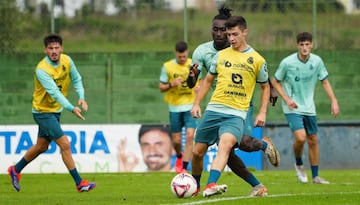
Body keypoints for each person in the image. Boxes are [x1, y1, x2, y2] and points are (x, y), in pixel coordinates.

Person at [188, 6, 279, 197]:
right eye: (227, 34)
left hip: (238, 110)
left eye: (233, 34)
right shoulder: (218, 55)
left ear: (245, 32)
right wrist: (196, 103)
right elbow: (206, 80)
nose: (230, 38)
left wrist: (263, 112)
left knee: (231, 145)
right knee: (198, 152)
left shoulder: (257, 59)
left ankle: (211, 184)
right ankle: (196, 187)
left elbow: (264, 85)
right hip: (214, 108)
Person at [7, 34, 96, 192]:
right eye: (50, 48)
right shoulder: (42, 69)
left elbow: (76, 79)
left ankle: (15, 170)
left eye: (56, 48)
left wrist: (81, 97)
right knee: (65, 144)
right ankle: (79, 183)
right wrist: (71, 108)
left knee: (42, 146)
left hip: (55, 111)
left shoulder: (67, 61)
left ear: (61, 48)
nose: (54, 51)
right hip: (42, 112)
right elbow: (55, 93)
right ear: (45, 50)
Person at [271, 32, 340, 184]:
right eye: (301, 44)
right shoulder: (287, 62)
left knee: (313, 140)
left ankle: (316, 176)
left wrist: (334, 100)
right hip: (292, 107)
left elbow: (325, 82)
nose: (304, 47)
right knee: (301, 138)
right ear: (297, 46)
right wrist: (287, 99)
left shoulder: (317, 62)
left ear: (312, 45)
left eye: (307, 44)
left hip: (309, 107)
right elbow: (275, 81)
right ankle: (299, 163)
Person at [159, 41, 198, 173]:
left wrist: (199, 87)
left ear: (187, 52)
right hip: (175, 107)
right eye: (180, 57)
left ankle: (184, 169)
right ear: (176, 53)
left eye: (184, 56)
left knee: (189, 136)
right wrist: (171, 84)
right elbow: (161, 87)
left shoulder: (194, 65)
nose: (182, 59)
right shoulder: (168, 67)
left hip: (190, 106)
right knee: (176, 141)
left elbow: (202, 81)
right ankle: (179, 156)